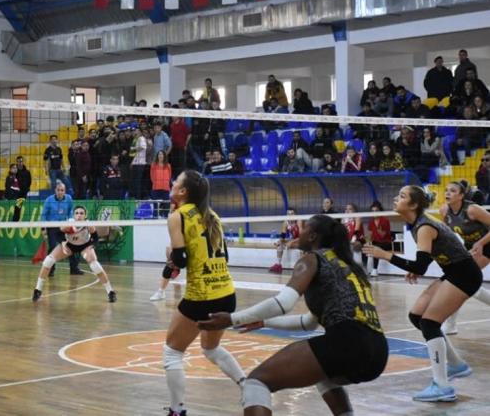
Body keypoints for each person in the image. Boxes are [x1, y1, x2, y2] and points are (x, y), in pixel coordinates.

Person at [199, 214, 387, 416]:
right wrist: (264, 322)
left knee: (256, 382)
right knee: (322, 374)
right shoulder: (346, 265)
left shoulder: (312, 259)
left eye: (304, 228)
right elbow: (309, 323)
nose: (300, 232)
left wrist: (231, 319)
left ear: (312, 236)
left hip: (348, 342)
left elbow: (283, 303)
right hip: (378, 351)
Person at [364, 186, 481, 402]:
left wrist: (385, 255)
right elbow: (422, 263)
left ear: (414, 205)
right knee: (416, 317)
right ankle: (456, 365)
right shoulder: (416, 225)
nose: (395, 198)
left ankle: (442, 386)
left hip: (465, 275)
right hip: (454, 272)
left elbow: (420, 267)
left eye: (402, 196)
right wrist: (413, 267)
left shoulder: (424, 226)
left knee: (429, 323)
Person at [162, 170, 245, 416]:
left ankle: (177, 411)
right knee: (210, 349)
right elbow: (225, 257)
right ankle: (247, 385)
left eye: (176, 181)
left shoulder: (178, 216)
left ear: (182, 191)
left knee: (172, 352)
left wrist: (171, 260)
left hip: (201, 295)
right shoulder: (213, 216)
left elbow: (180, 260)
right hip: (226, 293)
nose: (172, 183)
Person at [33, 206, 116, 303]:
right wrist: (63, 242)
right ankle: (37, 290)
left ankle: (111, 292)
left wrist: (92, 245)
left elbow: (95, 237)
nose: (79, 215)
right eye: (76, 213)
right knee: (48, 261)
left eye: (81, 213)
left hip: (84, 246)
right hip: (70, 246)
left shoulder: (88, 225)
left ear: (85, 215)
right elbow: (57, 234)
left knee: (95, 265)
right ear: (73, 215)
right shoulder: (69, 224)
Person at [438, 181, 490, 335]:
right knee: (459, 281)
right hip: (471, 246)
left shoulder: (472, 210)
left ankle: (450, 324)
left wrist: (480, 243)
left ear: (461, 195)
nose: (448, 193)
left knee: (461, 280)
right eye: (446, 190)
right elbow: (446, 233)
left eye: (453, 191)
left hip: (486, 243)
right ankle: (450, 324)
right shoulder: (444, 210)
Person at [40, 183, 82, 275]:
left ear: (64, 191)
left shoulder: (68, 198)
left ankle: (74, 269)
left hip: (64, 227)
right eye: (58, 190)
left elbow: (71, 210)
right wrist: (43, 228)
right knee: (52, 247)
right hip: (52, 227)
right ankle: (50, 270)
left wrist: (71, 220)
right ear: (55, 190)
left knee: (71, 245)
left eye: (62, 190)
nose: (60, 192)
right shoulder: (49, 200)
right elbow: (43, 215)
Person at [268, 208, 302, 274]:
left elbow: (301, 237)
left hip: (302, 240)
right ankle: (278, 265)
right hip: (293, 240)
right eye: (288, 214)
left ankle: (301, 267)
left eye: (292, 214)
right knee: (279, 244)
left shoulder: (299, 221)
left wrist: (291, 242)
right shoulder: (286, 222)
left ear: (295, 215)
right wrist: (280, 241)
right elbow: (283, 236)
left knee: (302, 248)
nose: (290, 215)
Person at [366, 201, 391, 277]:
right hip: (375, 242)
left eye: (376, 210)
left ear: (380, 211)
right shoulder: (371, 221)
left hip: (386, 242)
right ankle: (367, 269)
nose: (374, 212)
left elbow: (383, 236)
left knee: (376, 247)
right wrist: (368, 242)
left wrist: (379, 231)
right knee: (367, 246)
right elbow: (370, 234)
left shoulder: (385, 220)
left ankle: (375, 269)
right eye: (372, 211)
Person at [343, 204, 367, 271]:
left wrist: (352, 241)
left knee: (352, 246)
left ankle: (362, 269)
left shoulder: (357, 217)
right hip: (349, 240)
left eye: (350, 209)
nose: (347, 211)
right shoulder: (344, 219)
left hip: (358, 239)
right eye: (346, 209)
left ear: (354, 210)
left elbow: (357, 230)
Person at [150, 151, 172, 216]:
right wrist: (155, 183)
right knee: (155, 206)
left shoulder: (168, 166)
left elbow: (169, 176)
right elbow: (151, 176)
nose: (160, 156)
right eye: (159, 154)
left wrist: (166, 183)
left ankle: (166, 217)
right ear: (157, 156)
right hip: (156, 188)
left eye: (162, 154)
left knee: (167, 206)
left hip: (165, 188)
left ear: (164, 156)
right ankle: (155, 217)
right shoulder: (153, 165)